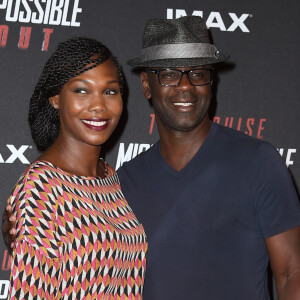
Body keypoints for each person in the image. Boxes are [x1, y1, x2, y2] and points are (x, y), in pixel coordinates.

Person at [3, 16, 300, 299]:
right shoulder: (126, 179)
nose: (186, 85)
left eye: (198, 73)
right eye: (169, 74)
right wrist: (29, 227)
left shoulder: (258, 162)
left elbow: (291, 274)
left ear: (212, 82)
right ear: (146, 85)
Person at [4, 37, 147, 299]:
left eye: (110, 91)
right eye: (82, 90)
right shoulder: (41, 187)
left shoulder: (110, 178)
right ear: (56, 98)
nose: (99, 106)